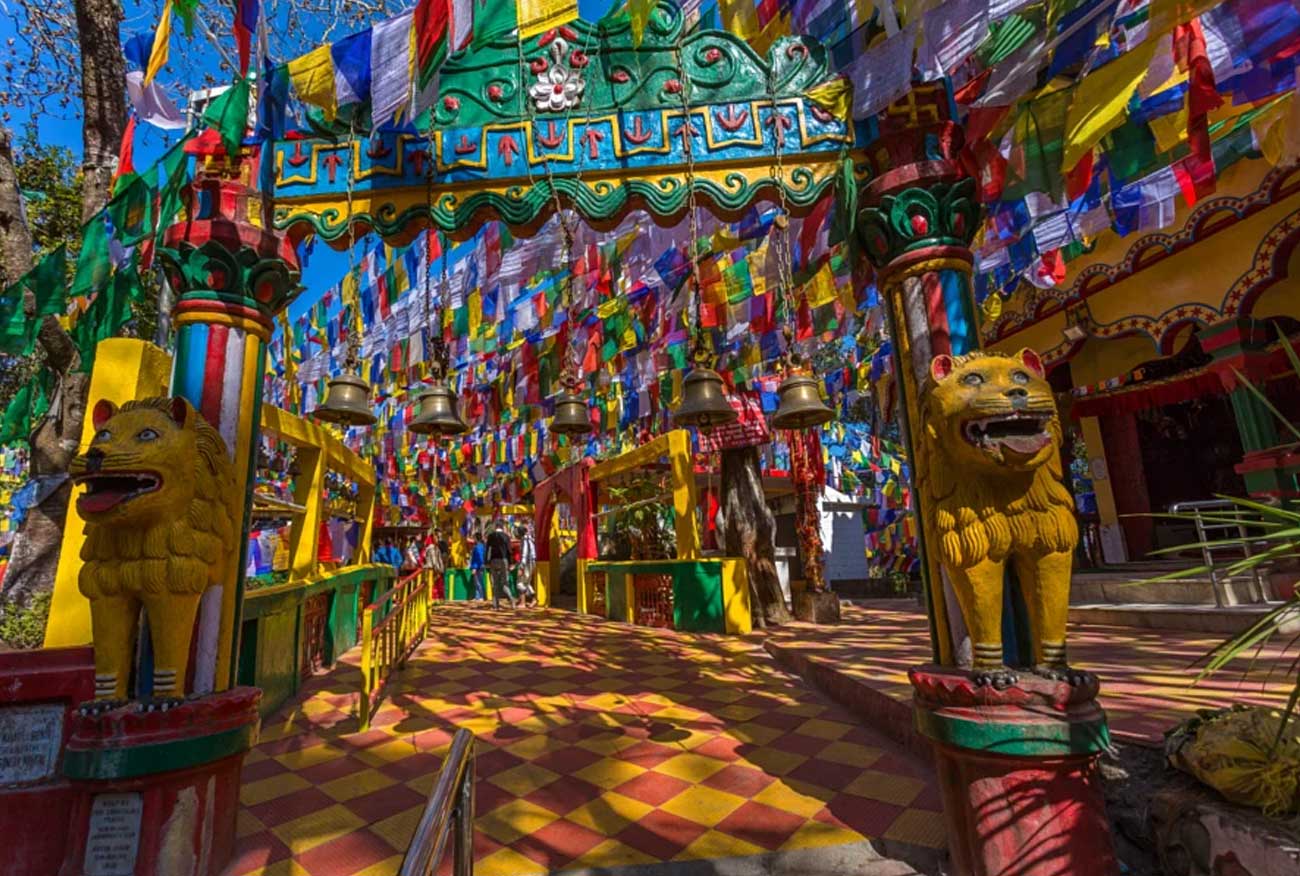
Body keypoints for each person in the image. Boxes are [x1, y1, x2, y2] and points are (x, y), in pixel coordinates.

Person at [486, 520, 516, 609]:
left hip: (494, 560)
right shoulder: (506, 537)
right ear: (502, 527)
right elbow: (509, 550)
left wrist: (486, 562)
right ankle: (512, 600)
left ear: (495, 527)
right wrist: (511, 563)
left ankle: (496, 605)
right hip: (504, 560)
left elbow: (488, 549)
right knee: (504, 583)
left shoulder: (491, 536)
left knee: (495, 583)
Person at [516, 524, 537, 607]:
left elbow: (524, 554)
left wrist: (521, 567)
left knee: (520, 582)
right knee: (527, 582)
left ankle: (523, 603)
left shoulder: (525, 540)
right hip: (532, 562)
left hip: (527, 563)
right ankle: (534, 599)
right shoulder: (531, 539)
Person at [469, 533, 487, 600]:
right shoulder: (481, 546)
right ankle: (477, 596)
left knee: (478, 581)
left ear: (476, 538)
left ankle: (481, 596)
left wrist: (475, 568)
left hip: (478, 566)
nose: (473, 539)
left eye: (474, 538)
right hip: (479, 566)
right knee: (477, 582)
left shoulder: (478, 547)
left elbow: (478, 558)